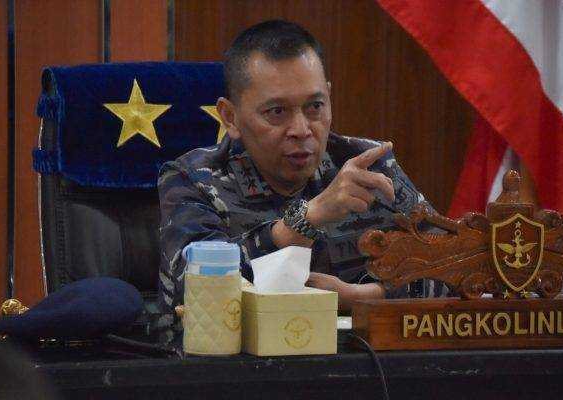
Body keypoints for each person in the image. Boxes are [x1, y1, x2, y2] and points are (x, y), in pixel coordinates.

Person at [157, 20, 443, 343]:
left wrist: (359, 297)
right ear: (230, 117)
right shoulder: (193, 179)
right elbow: (192, 291)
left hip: (361, 365)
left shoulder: (369, 165)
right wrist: (302, 221)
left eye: (314, 107)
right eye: (277, 112)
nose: (302, 129)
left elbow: (455, 266)